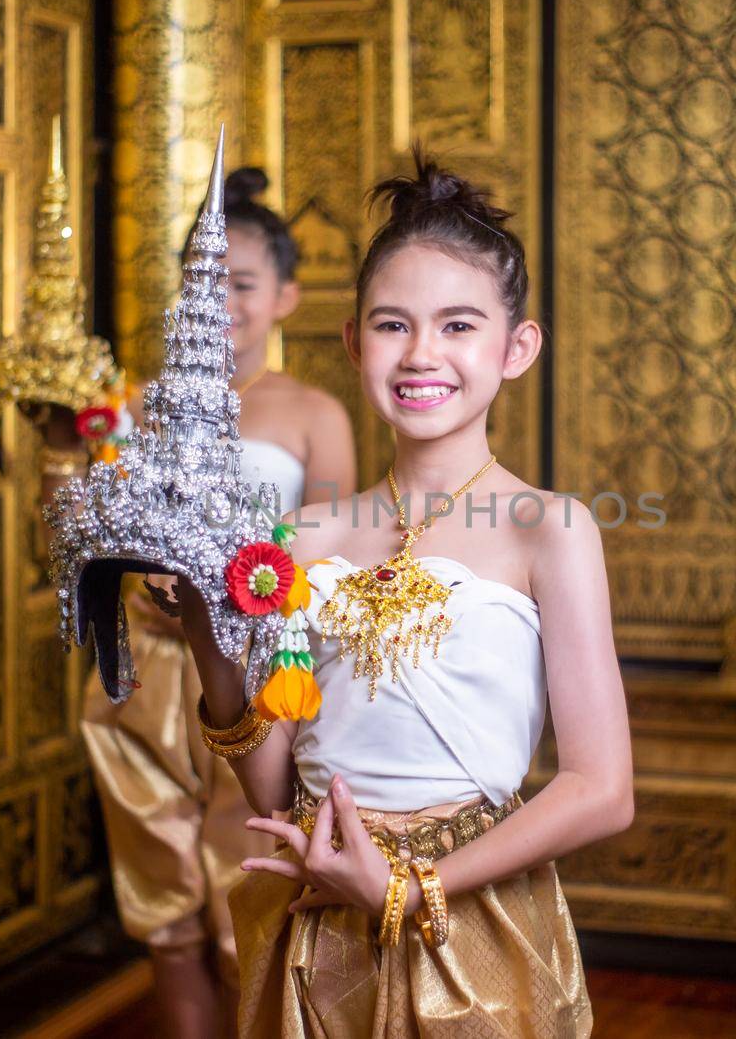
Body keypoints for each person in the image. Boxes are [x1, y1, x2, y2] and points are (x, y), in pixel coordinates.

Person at [176, 153, 634, 1036]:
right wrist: (207, 634)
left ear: (517, 346)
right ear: (354, 341)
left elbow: (602, 785)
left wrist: (407, 884)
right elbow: (273, 789)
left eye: (458, 325)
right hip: (320, 927)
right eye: (393, 324)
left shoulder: (551, 528)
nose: (422, 353)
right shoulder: (306, 537)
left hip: (472, 922)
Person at [80, 167, 355, 1037]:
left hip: (259, 675)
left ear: (285, 296)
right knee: (166, 914)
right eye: (201, 284)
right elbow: (94, 532)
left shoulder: (312, 412)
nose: (220, 301)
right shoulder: (136, 410)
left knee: (254, 900)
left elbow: (336, 550)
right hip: (141, 676)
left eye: (239, 283)